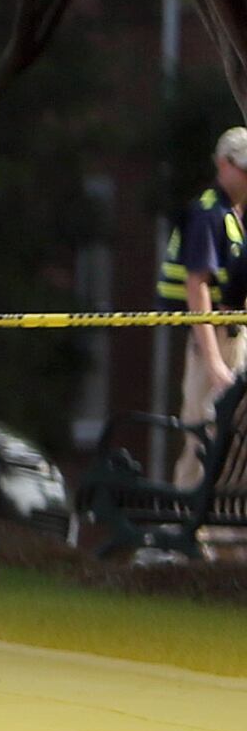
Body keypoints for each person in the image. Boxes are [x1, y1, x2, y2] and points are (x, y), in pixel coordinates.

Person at [157, 126, 247, 483]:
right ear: (222, 165)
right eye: (242, 167)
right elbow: (198, 288)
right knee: (202, 436)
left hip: (232, 338)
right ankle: (189, 532)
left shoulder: (232, 216)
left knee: (234, 443)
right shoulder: (208, 214)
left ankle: (229, 535)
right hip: (212, 342)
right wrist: (213, 364)